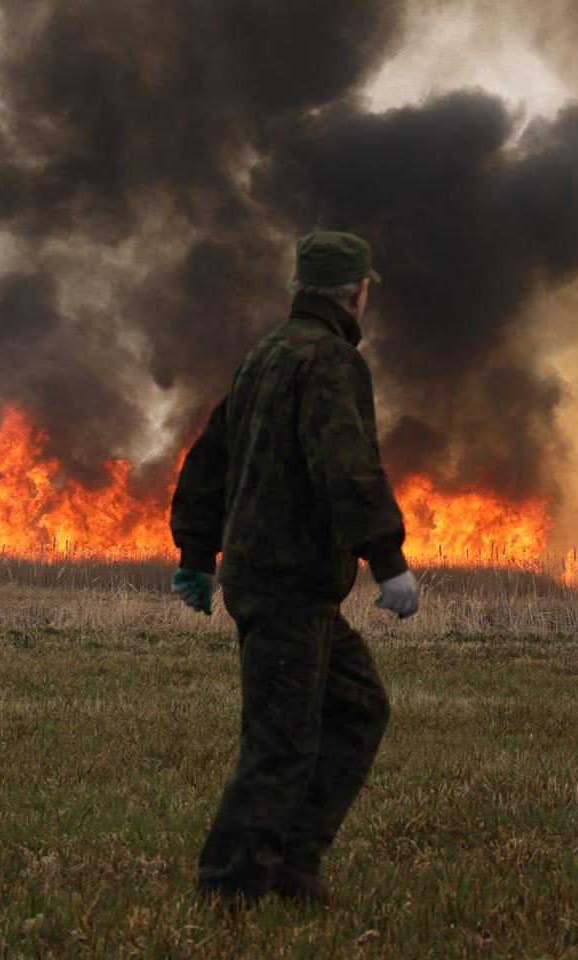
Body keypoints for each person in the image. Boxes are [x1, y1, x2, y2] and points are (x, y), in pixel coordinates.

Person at [169, 230, 421, 908]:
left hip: (279, 585)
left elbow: (208, 456)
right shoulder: (332, 362)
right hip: (288, 583)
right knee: (279, 743)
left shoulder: (265, 355)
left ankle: (293, 864)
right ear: (357, 291)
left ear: (300, 290)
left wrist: (197, 552)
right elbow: (345, 464)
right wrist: (388, 561)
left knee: (357, 707)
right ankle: (227, 891)